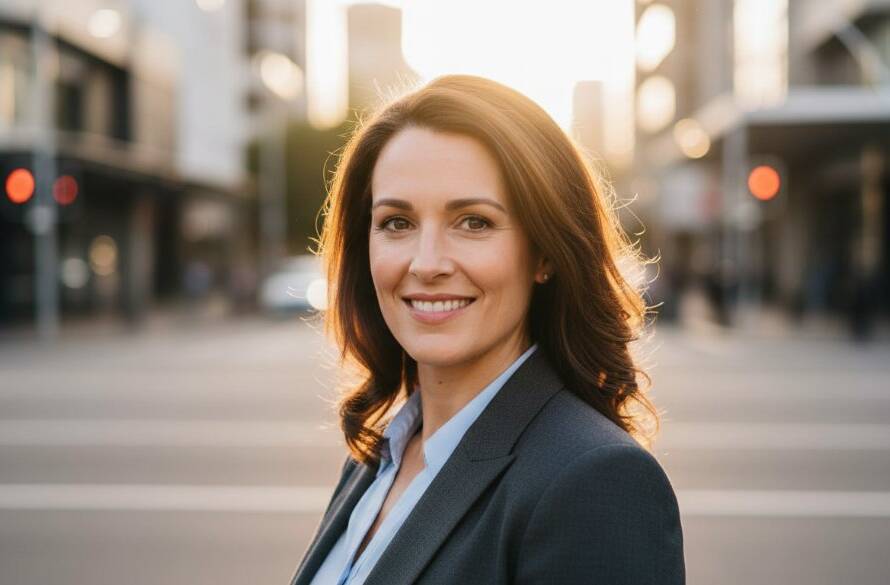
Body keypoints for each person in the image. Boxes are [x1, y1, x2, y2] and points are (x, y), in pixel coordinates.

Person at [289, 75, 685, 585]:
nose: (426, 263)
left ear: (544, 251)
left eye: (473, 222)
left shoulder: (596, 481)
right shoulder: (380, 457)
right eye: (396, 223)